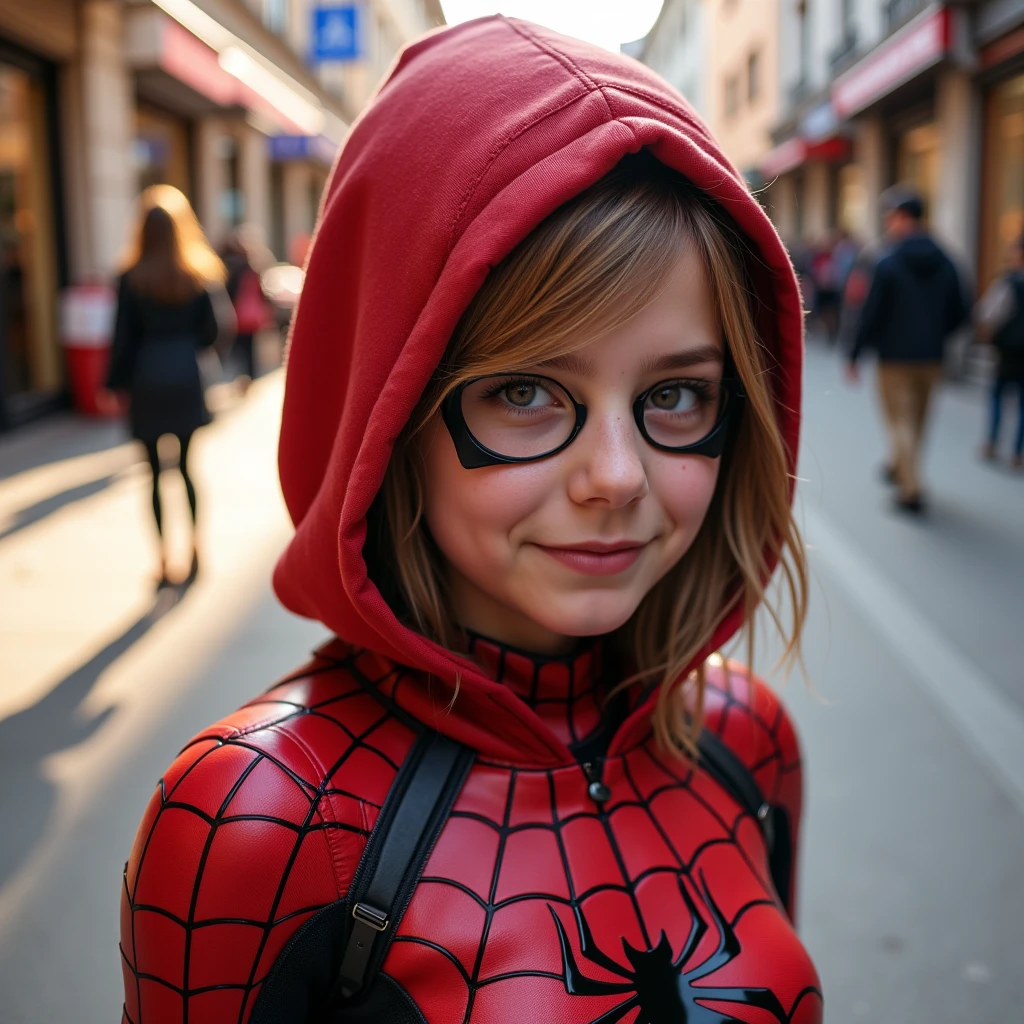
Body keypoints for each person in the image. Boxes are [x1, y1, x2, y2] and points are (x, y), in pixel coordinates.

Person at [118, 19, 821, 1024]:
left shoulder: (744, 738)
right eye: (527, 392)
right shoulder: (252, 817)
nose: (616, 477)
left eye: (675, 397)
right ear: (390, 414)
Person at [103, 185, 226, 586]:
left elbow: (121, 339)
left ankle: (161, 559)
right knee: (188, 469)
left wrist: (113, 384)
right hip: (187, 379)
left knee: (154, 474)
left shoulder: (130, 278)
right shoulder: (198, 274)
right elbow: (216, 330)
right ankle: (195, 546)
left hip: (146, 382)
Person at [846, 186, 970, 513]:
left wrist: (856, 353)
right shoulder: (946, 260)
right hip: (932, 356)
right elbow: (961, 311)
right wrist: (937, 335)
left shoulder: (888, 262)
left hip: (894, 357)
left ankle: (911, 489)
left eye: (891, 217)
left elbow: (871, 313)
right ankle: (899, 464)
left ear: (902, 218)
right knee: (917, 419)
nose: (888, 223)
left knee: (899, 419)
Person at [976, 235, 1024, 470]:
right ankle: (1017, 453)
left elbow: (988, 313)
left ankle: (992, 442)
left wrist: (986, 336)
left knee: (997, 395)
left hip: (1009, 350)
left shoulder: (1010, 282)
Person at [221, 225, 273, 391]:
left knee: (239, 348)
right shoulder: (255, 267)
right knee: (249, 348)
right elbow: (264, 292)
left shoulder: (234, 267)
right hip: (252, 314)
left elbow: (231, 292)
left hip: (238, 314)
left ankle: (243, 378)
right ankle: (250, 377)